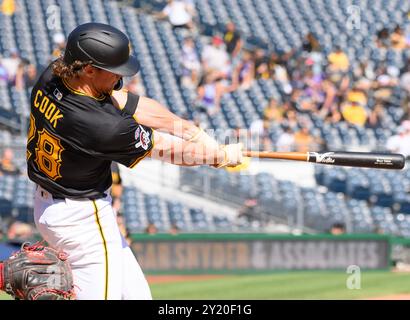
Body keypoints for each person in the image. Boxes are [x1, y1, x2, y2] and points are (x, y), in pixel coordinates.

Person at [25, 22, 243, 300]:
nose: (120, 78)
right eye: (113, 71)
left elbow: (128, 102)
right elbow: (167, 150)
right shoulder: (102, 127)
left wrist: (189, 129)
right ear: (89, 70)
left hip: (55, 205)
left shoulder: (55, 76)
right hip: (81, 217)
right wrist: (220, 156)